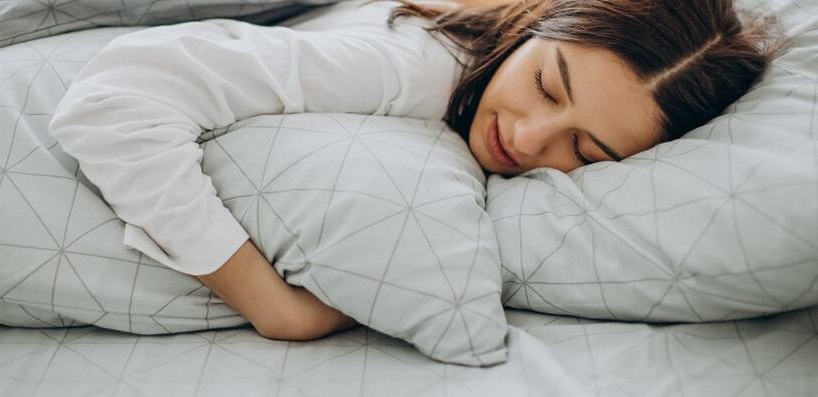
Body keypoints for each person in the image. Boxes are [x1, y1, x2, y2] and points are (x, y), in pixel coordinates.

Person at [49, 0, 777, 341]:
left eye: (585, 153)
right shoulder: (408, 70)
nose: (527, 138)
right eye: (548, 87)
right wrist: (271, 304)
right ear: (538, 25)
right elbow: (114, 100)